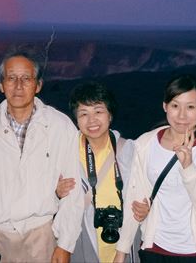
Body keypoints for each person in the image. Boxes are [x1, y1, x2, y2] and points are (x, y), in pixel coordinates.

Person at [0, 46, 84, 263]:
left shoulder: (60, 126)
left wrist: (65, 244)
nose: (19, 86)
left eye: (26, 78)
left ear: (38, 85)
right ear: (1, 85)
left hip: (41, 236)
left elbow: (72, 191)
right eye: (11, 78)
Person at [114, 74, 196, 263]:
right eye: (175, 106)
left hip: (195, 253)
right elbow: (134, 199)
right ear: (165, 106)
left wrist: (189, 168)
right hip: (154, 249)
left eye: (190, 107)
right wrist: (121, 251)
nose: (182, 115)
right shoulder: (146, 143)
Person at [56, 81, 148, 263]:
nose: (91, 121)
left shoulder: (129, 151)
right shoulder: (65, 153)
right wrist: (56, 193)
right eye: (83, 114)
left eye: (98, 111)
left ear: (110, 115)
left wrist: (146, 208)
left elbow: (146, 193)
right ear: (76, 119)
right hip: (81, 242)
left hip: (123, 243)